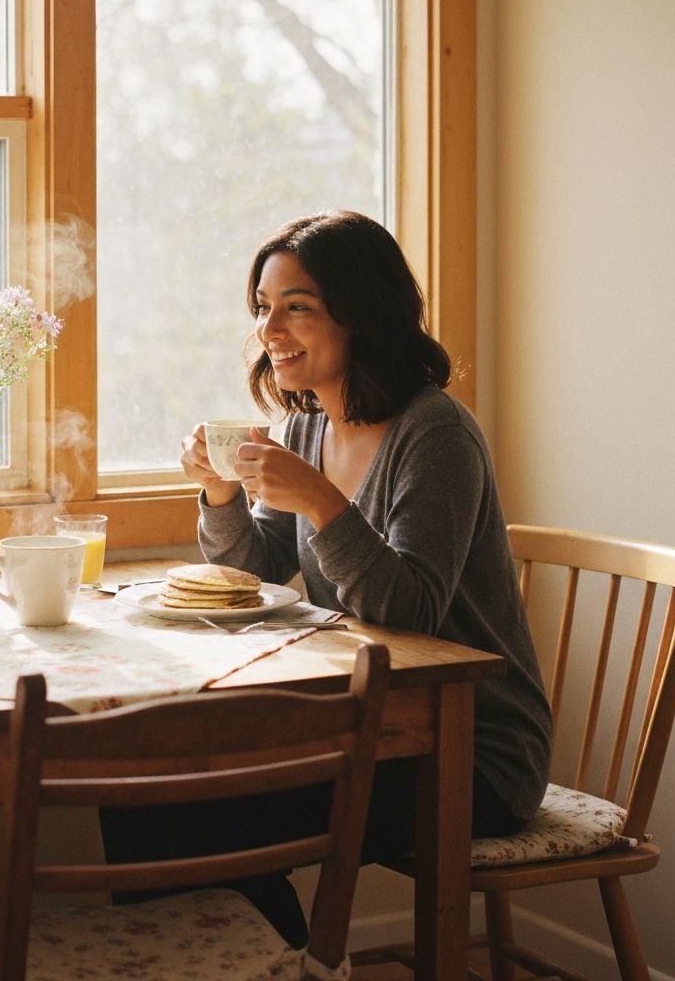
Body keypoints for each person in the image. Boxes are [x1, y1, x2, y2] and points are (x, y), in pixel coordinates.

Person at [100, 210, 552, 948]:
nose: (269, 330)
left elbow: (411, 614)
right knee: (142, 792)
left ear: (361, 313)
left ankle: (284, 969)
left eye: (296, 308)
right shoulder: (310, 422)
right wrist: (220, 494)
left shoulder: (435, 434)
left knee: (195, 814)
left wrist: (317, 497)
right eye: (263, 309)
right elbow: (258, 571)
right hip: (368, 724)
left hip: (472, 752)